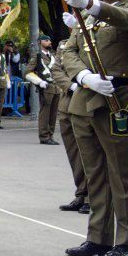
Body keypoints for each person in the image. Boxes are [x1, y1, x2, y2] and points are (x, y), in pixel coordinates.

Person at [60, 0, 128, 256]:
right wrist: (84, 77)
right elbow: (68, 52)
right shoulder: (85, 17)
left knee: (122, 172)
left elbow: (127, 20)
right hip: (86, 97)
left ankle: (125, 241)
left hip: (118, 98)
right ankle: (98, 237)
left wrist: (90, 3)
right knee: (95, 173)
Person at [52, 18, 92, 214]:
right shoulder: (64, 45)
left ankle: (93, 197)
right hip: (67, 102)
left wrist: (81, 82)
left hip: (86, 102)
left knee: (90, 153)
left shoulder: (92, 42)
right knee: (74, 153)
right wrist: (71, 84)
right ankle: (81, 193)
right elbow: (56, 70)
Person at [29, 35, 58, 144]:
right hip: (46, 88)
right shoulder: (37, 56)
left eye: (50, 40)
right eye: (46, 40)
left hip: (56, 87)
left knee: (53, 114)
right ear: (40, 42)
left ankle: (50, 135)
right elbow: (27, 72)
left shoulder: (53, 55)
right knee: (45, 114)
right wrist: (39, 82)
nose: (49, 42)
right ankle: (44, 136)